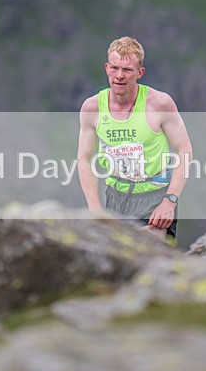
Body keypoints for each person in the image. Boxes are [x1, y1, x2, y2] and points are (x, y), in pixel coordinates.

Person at [77, 37, 193, 241]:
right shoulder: (92, 107)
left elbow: (184, 150)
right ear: (106, 68)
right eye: (114, 68)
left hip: (155, 197)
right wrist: (95, 210)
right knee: (115, 255)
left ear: (140, 72)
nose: (119, 76)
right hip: (115, 197)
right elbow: (84, 159)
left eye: (127, 70)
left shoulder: (159, 104)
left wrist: (170, 201)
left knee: (148, 250)